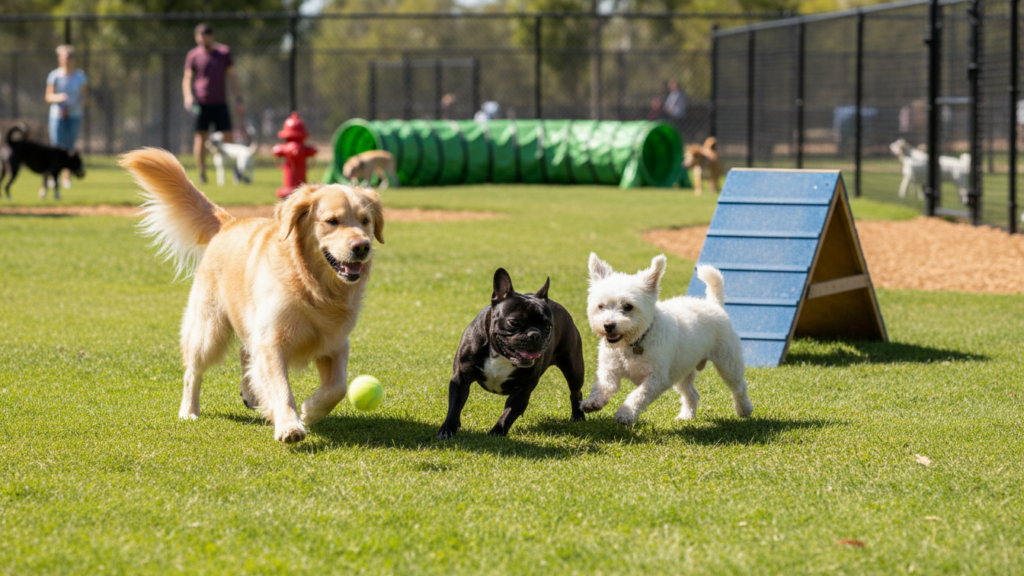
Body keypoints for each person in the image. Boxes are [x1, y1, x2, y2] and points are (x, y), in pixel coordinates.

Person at [182, 23, 244, 184]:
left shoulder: (223, 53)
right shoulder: (193, 55)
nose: (203, 40)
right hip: (201, 103)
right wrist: (188, 96)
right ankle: (202, 173)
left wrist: (238, 97)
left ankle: (235, 171)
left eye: (206, 36)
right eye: (200, 36)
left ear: (212, 36)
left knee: (228, 137)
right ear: (197, 38)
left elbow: (232, 76)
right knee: (200, 138)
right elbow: (187, 78)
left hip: (220, 103)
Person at [45, 44, 88, 194]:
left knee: (70, 147)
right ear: (60, 59)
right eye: (64, 57)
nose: (67, 60)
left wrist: (75, 103)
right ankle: (53, 177)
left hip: (74, 115)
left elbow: (84, 98)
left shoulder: (80, 76)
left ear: (74, 59)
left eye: (70, 57)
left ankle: (66, 178)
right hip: (57, 115)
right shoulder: (54, 75)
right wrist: (59, 97)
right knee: (57, 147)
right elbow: (48, 96)